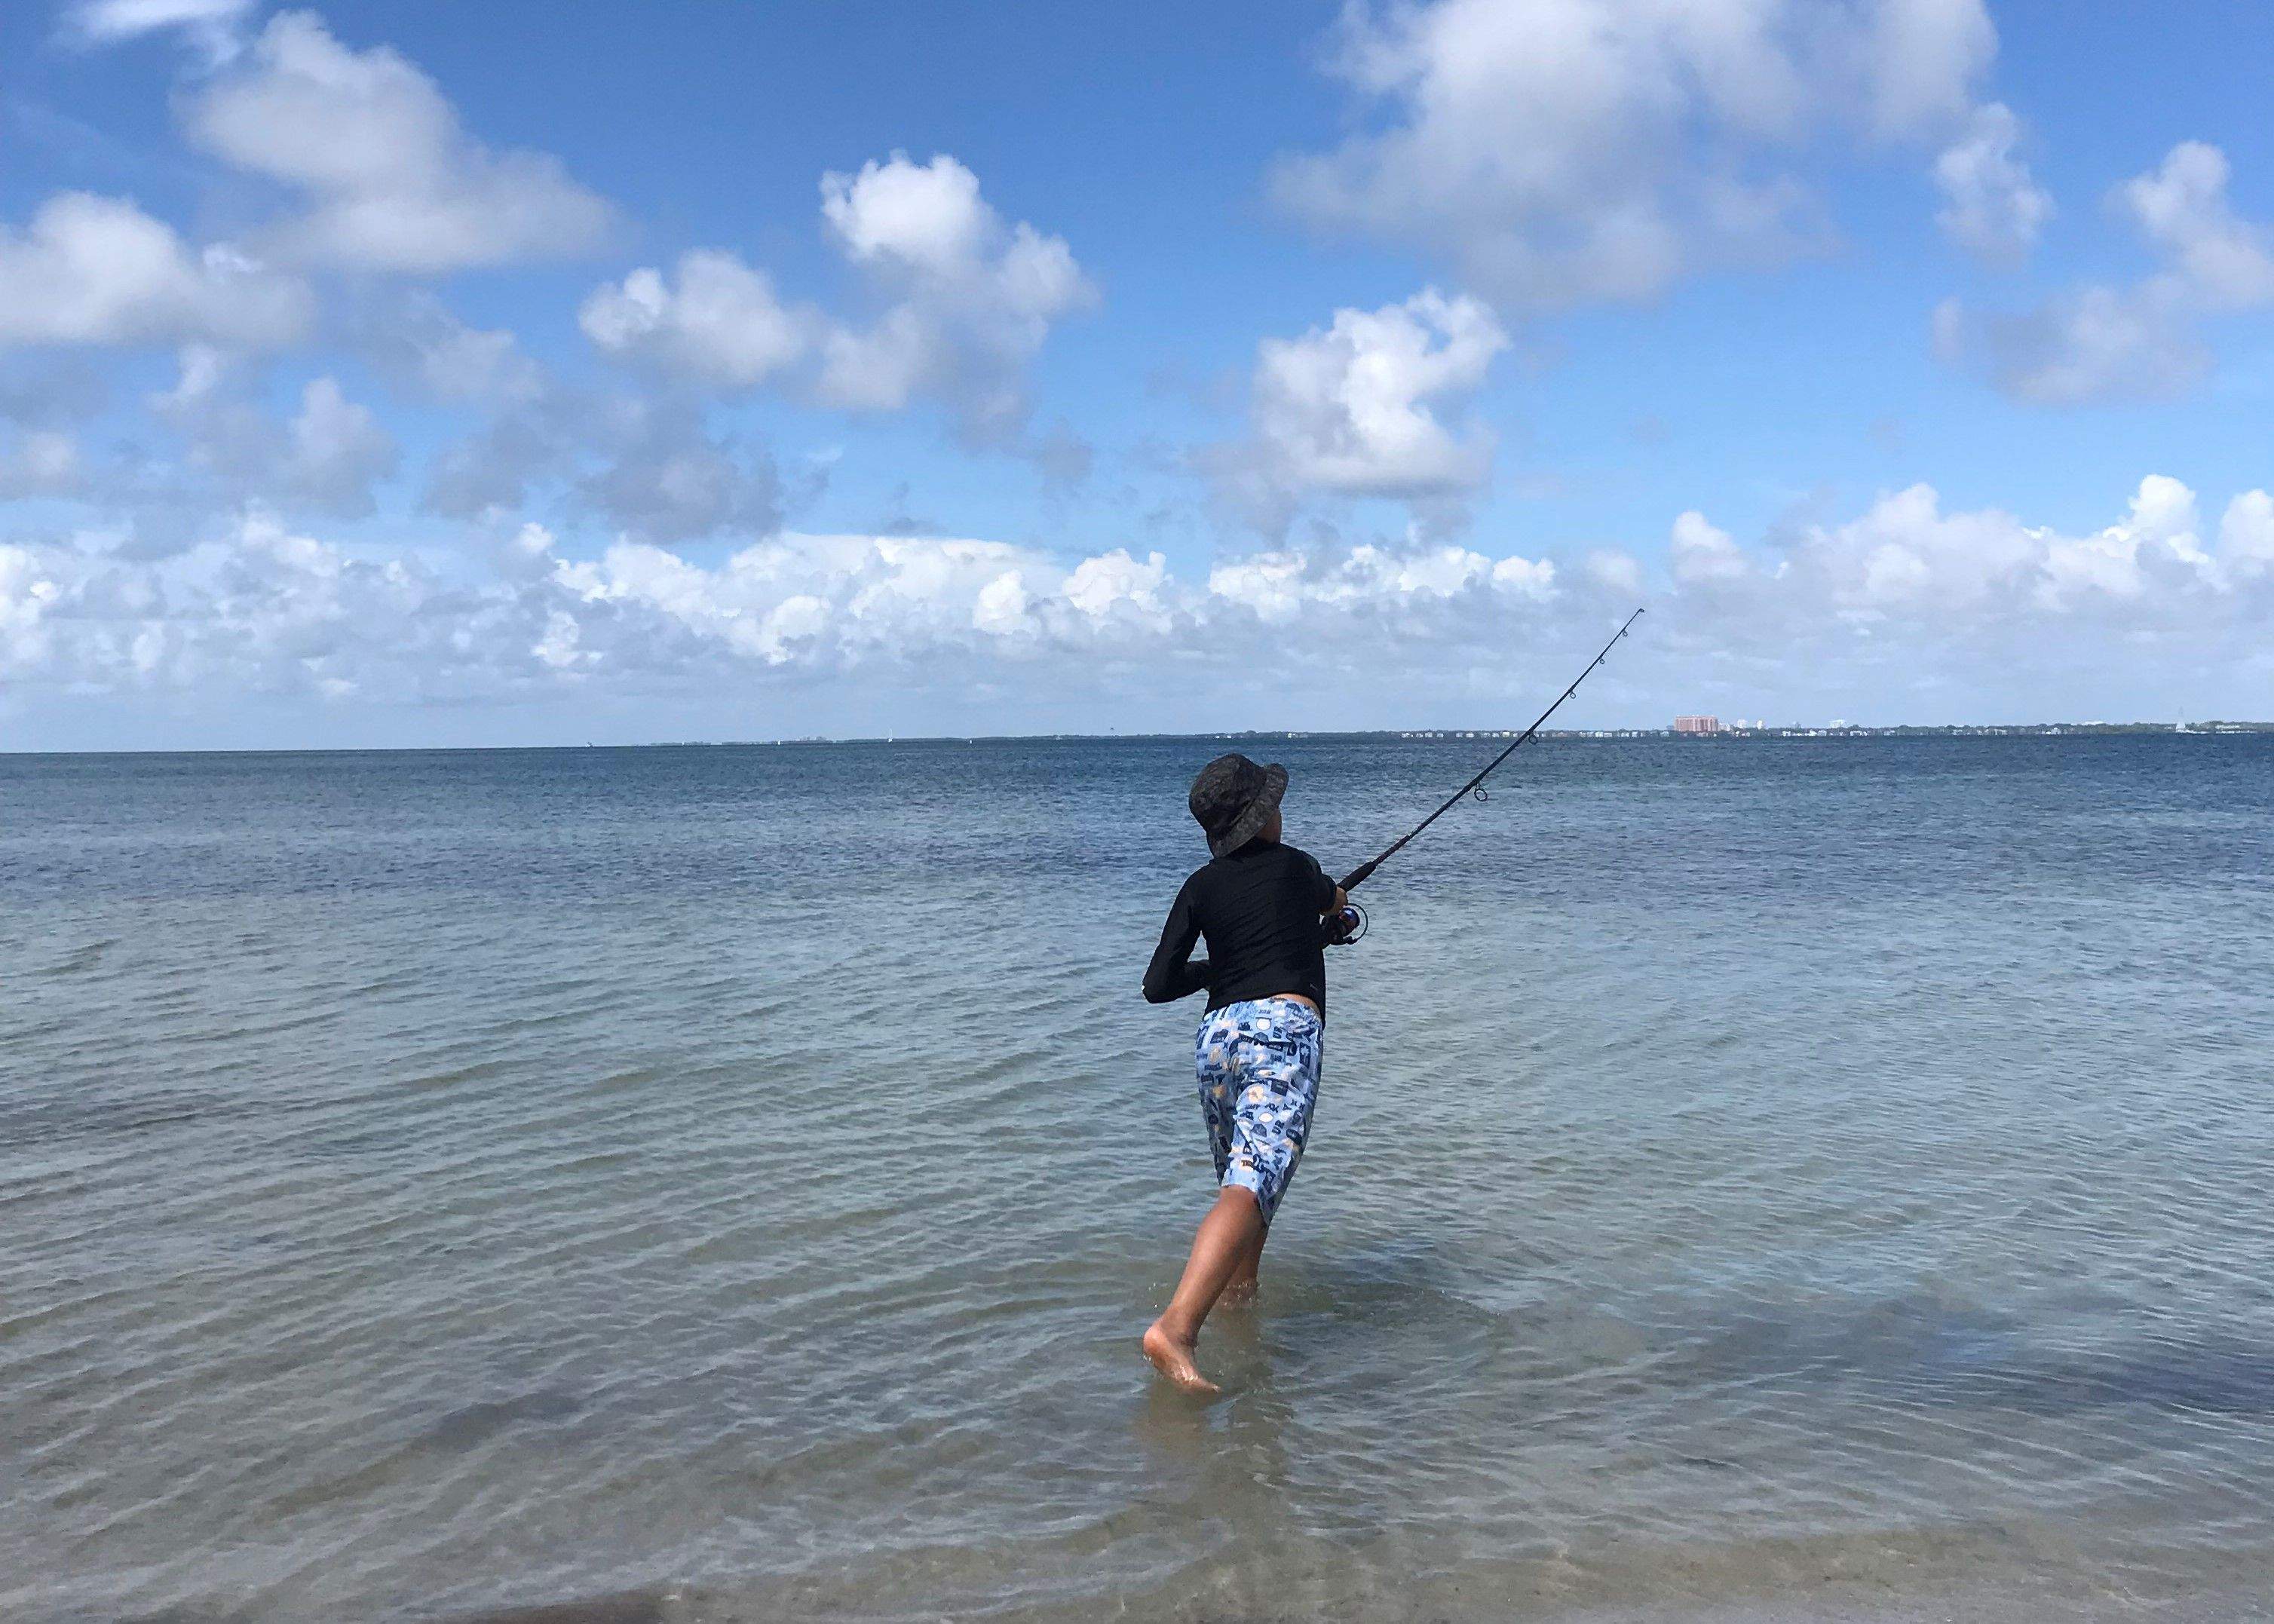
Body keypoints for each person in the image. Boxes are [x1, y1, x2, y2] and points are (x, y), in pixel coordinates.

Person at [1139, 752, 1347, 1393]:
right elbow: (1334, 903)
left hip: (1217, 1040)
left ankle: (1240, 1298)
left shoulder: (1200, 886)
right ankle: (1176, 1328)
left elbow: (1158, 984)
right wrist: (1332, 924)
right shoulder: (1296, 866)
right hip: (1282, 1030)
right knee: (1252, 1183)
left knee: (1245, 1182)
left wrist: (1217, 971)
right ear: (1262, 818)